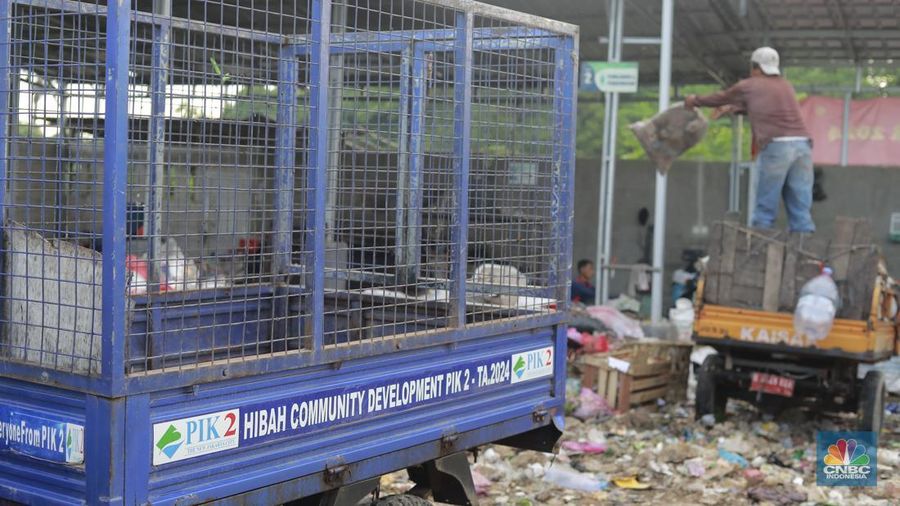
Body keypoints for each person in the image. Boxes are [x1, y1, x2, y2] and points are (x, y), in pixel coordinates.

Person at [685, 47, 814, 233]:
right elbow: (766, 109)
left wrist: (694, 100)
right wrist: (735, 109)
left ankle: (759, 254)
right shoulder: (785, 85)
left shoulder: (749, 84)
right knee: (800, 210)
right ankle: (805, 252)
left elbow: (721, 97)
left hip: (777, 147)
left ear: (755, 67)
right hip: (803, 146)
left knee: (765, 208)